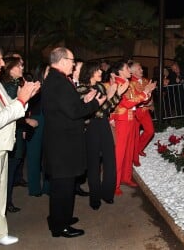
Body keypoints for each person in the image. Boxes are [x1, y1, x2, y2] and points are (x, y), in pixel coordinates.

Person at [41, 47, 106, 238]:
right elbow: (74, 112)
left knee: (63, 186)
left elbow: (67, 107)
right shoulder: (59, 82)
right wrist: (94, 104)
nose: (74, 63)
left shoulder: (56, 79)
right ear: (62, 61)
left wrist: (84, 99)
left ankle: (59, 218)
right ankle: (59, 227)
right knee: (63, 188)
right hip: (63, 146)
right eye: (71, 60)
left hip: (61, 143)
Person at [0, 43, 40, 249]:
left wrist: (26, 97)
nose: (2, 64)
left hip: (0, 148)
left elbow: (11, 106)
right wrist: (22, 100)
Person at [78, 61, 128, 210]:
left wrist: (115, 94)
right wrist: (116, 93)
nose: (101, 72)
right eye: (97, 71)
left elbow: (107, 107)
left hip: (104, 125)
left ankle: (108, 194)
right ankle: (95, 198)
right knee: (93, 164)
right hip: (91, 127)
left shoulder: (100, 87)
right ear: (90, 72)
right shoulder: (81, 89)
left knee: (110, 160)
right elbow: (95, 111)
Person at [110, 60, 156, 196]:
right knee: (119, 154)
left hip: (130, 120)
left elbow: (138, 99)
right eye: (126, 68)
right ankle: (115, 184)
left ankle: (126, 177)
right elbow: (127, 103)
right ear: (120, 71)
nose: (129, 71)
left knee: (129, 151)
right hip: (122, 122)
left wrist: (148, 93)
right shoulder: (118, 83)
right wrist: (145, 93)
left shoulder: (127, 83)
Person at [0, 57, 38, 213]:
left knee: (11, 168)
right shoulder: (9, 85)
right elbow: (11, 110)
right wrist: (26, 122)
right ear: (11, 69)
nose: (22, 68)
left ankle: (6, 202)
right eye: (19, 66)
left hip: (15, 130)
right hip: (11, 132)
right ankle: (6, 202)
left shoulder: (12, 84)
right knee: (9, 169)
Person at [26, 63, 50, 197]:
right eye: (48, 71)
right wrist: (25, 124)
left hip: (49, 121)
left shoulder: (52, 86)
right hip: (35, 121)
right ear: (41, 72)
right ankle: (34, 188)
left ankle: (47, 187)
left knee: (48, 156)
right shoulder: (33, 86)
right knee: (34, 156)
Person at [129, 61, 156, 166]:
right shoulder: (129, 83)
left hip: (144, 111)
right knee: (134, 136)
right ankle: (134, 156)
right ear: (133, 72)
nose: (142, 70)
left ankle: (138, 149)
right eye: (139, 69)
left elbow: (150, 94)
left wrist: (151, 104)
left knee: (150, 131)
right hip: (134, 112)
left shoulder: (146, 80)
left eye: (141, 68)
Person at [71, 58, 90, 197]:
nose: (83, 71)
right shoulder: (69, 84)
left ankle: (76, 186)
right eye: (80, 68)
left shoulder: (82, 84)